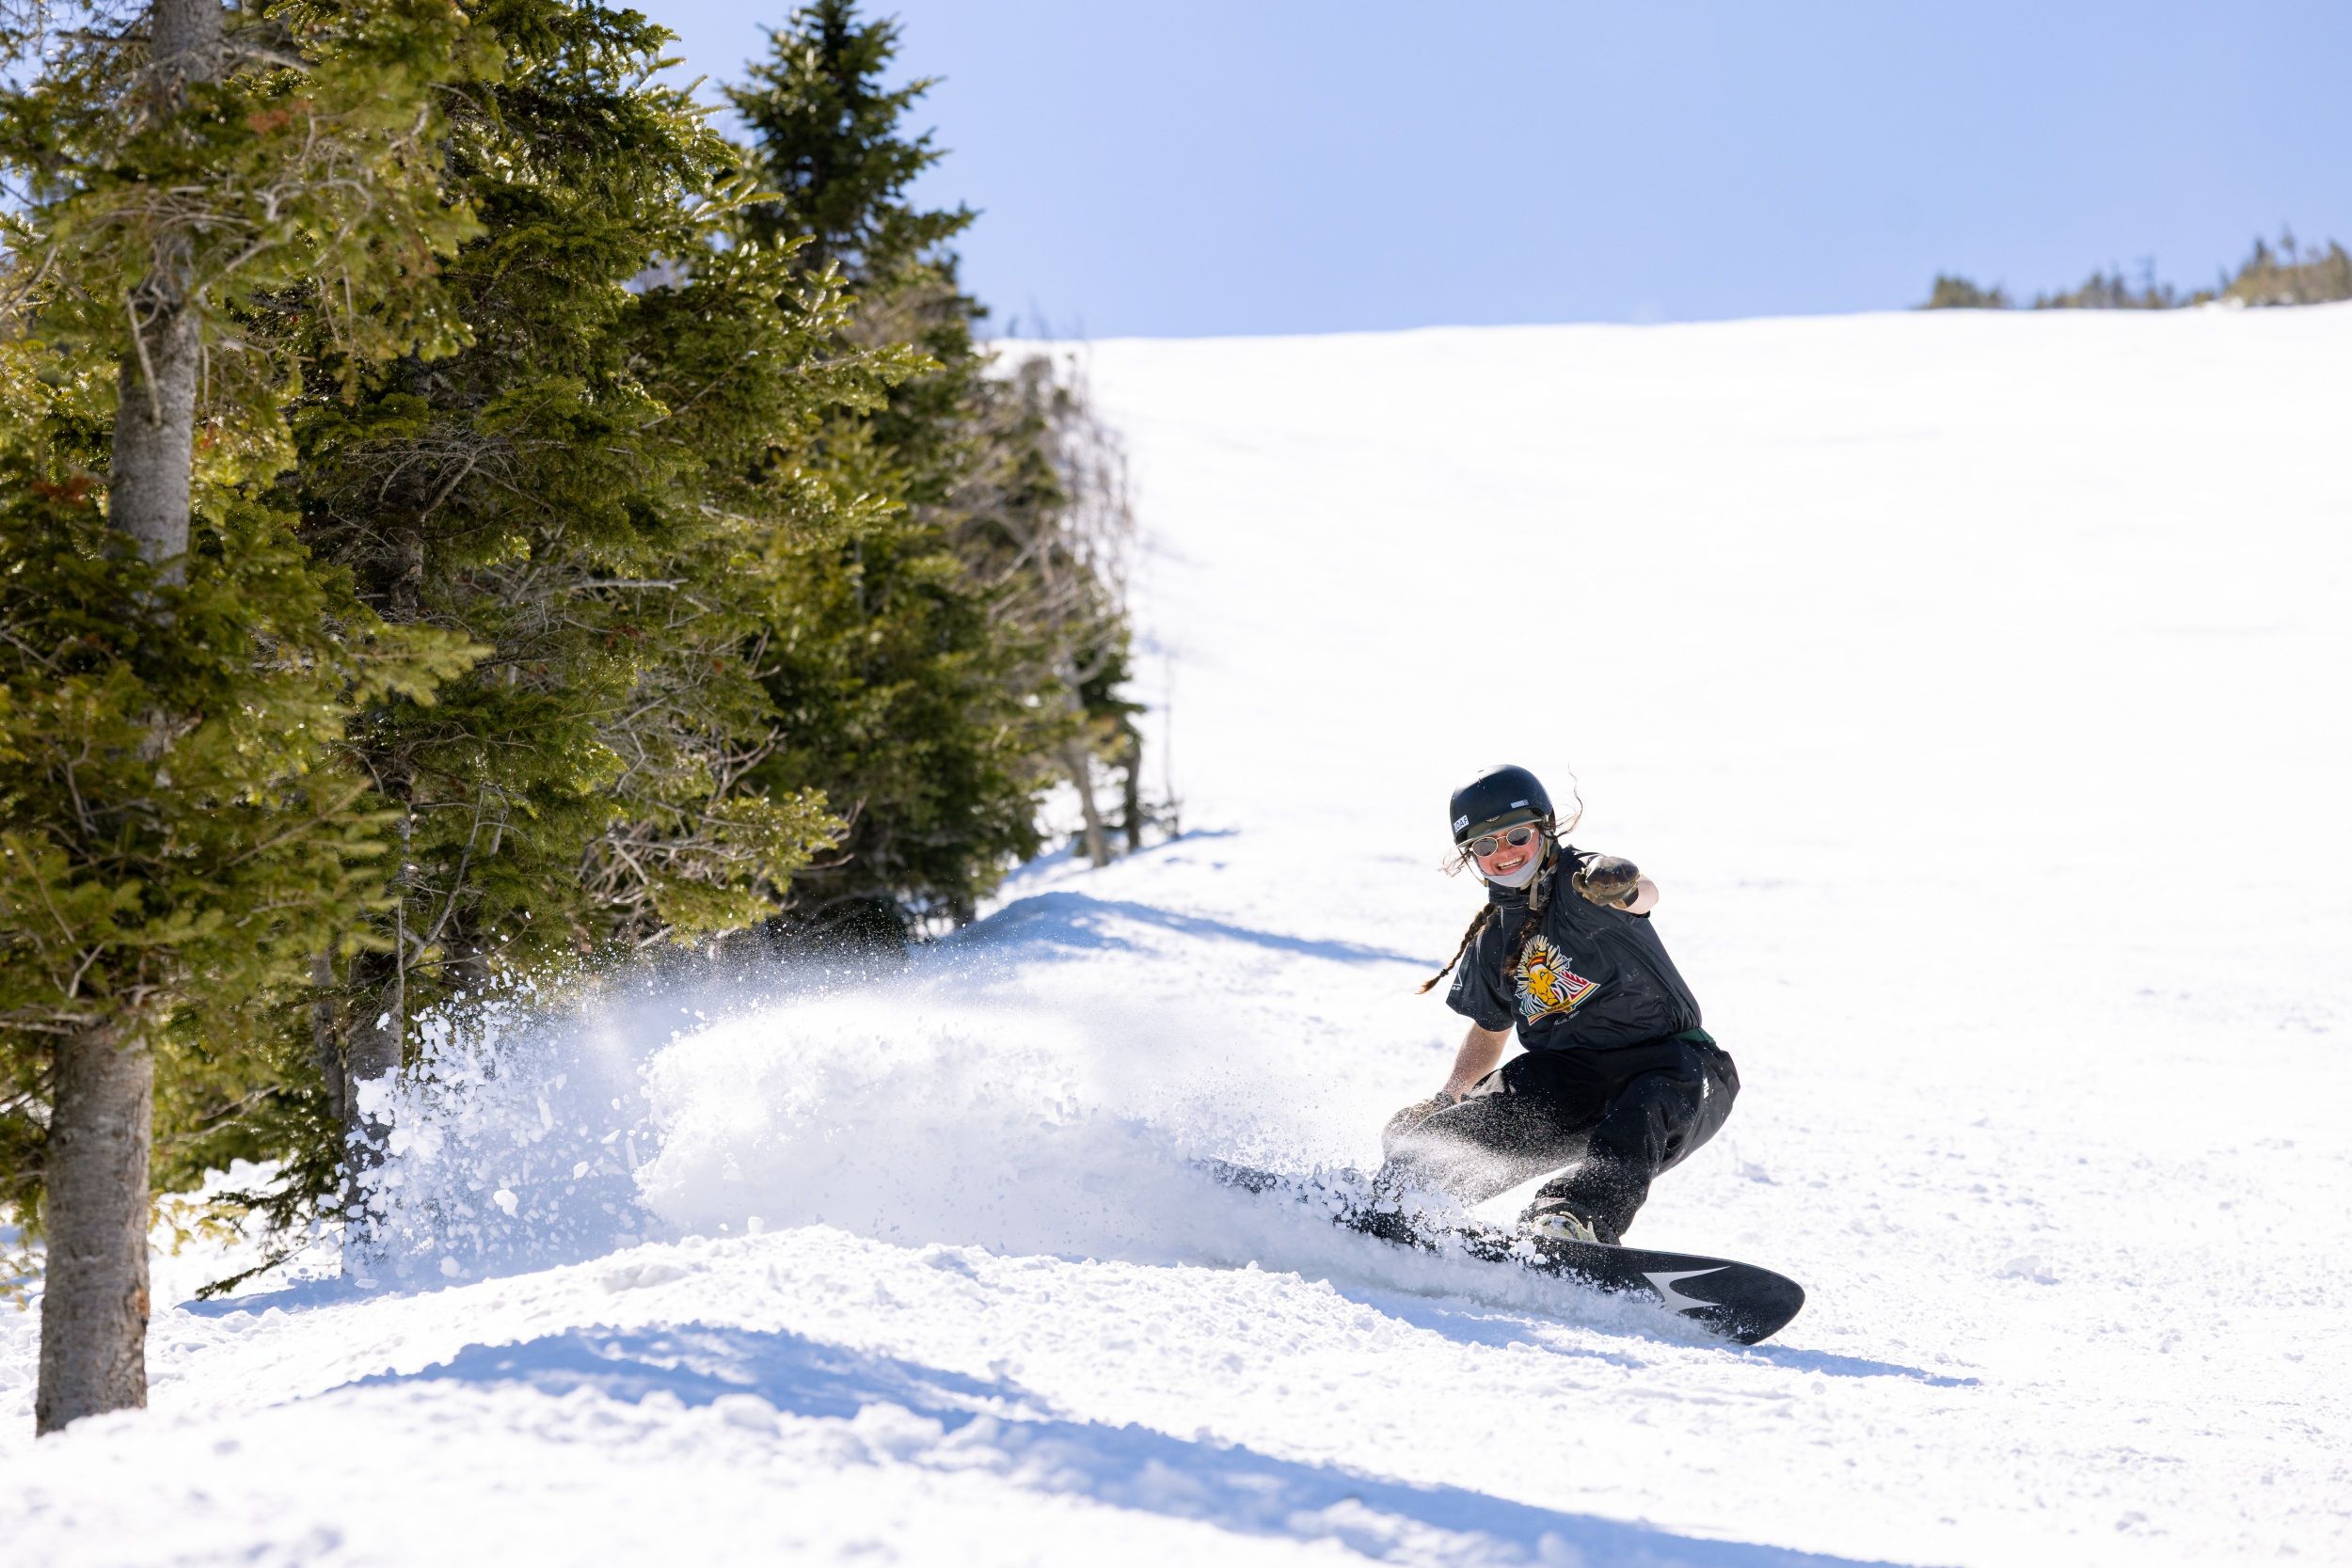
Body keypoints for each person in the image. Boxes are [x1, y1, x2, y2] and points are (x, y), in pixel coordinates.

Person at [1381, 762, 1738, 1246]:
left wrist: (1622, 886)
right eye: (1485, 845)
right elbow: (1490, 1031)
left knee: (1641, 1113)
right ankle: (1400, 1200)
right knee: (1493, 1109)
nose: (1503, 853)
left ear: (1545, 828)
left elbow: (1643, 896)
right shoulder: (1495, 939)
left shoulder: (1583, 884)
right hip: (1574, 1077)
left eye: (1516, 836)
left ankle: (1572, 1219)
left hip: (1676, 1067)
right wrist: (1447, 1098)